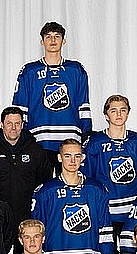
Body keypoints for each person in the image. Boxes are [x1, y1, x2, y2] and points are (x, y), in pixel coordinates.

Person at [11, 22, 91, 169]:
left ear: (63, 41)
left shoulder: (76, 70)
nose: (53, 40)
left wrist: (86, 132)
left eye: (57, 36)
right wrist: (23, 136)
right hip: (39, 139)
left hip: (70, 140)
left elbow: (83, 104)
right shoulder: (29, 71)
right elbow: (20, 107)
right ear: (42, 42)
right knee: (41, 182)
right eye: (48, 37)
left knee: (69, 181)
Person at [0, 107, 53, 252]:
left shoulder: (36, 150)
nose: (13, 128)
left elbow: (46, 184)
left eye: (17, 123)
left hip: (26, 215)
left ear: (22, 125)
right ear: (2, 124)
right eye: (9, 123)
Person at [81, 94, 137, 241]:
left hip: (133, 211)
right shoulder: (94, 143)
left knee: (131, 251)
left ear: (128, 113)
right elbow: (86, 179)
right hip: (105, 209)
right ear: (106, 115)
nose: (119, 114)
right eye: (113, 111)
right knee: (107, 251)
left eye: (123, 110)